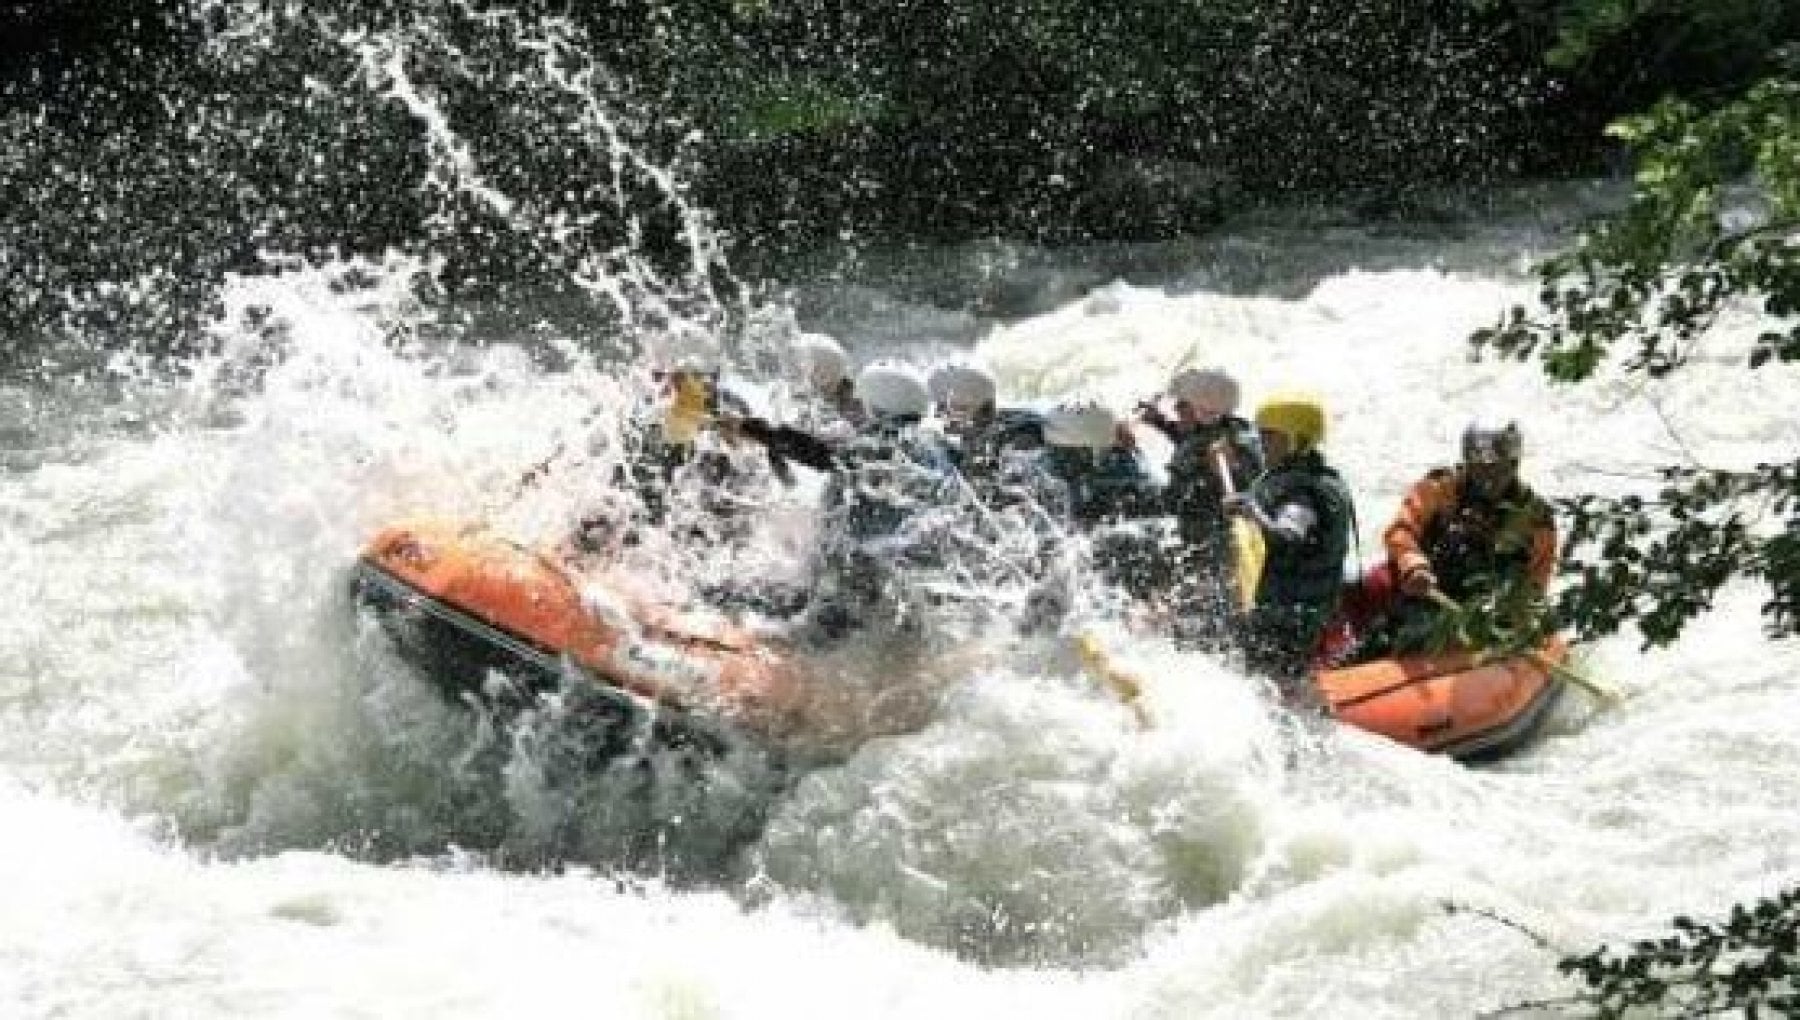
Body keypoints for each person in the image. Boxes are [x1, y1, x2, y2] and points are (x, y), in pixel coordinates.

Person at [1360, 418, 1557, 655]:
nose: (1486, 477)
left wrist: (1511, 623)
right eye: (1478, 467)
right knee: (1376, 595)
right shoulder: (1439, 488)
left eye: (1495, 468)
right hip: (1424, 590)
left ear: (1513, 464)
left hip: (1480, 614)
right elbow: (1401, 531)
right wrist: (1414, 566)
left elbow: (1535, 583)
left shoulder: (1535, 519)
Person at [1223, 392, 1354, 705]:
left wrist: (1252, 512)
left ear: (1297, 440)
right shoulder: (1308, 479)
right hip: (1296, 612)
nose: (1262, 444)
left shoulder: (1301, 493)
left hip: (1289, 619)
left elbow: (1289, 535)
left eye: (1270, 437)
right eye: (1261, 436)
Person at [1145, 368, 1265, 638]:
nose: (1176, 409)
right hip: (1197, 538)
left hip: (1215, 547)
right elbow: (1191, 442)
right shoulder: (1222, 430)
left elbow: (1244, 481)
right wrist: (1160, 422)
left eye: (1182, 405)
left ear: (1204, 410)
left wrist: (1232, 467)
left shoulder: (1228, 447)